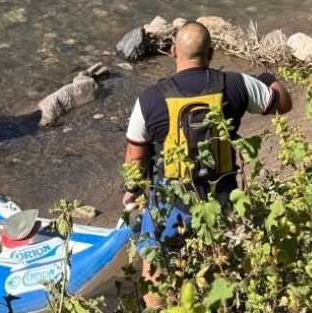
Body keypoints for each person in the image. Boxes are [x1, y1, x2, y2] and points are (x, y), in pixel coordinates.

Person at [121, 22, 292, 307]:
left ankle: (157, 307)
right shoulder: (236, 84)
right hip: (220, 196)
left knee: (155, 264)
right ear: (211, 52)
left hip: (169, 202)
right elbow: (282, 104)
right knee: (220, 266)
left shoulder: (149, 99)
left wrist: (131, 191)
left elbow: (135, 156)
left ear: (173, 51)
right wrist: (268, 79)